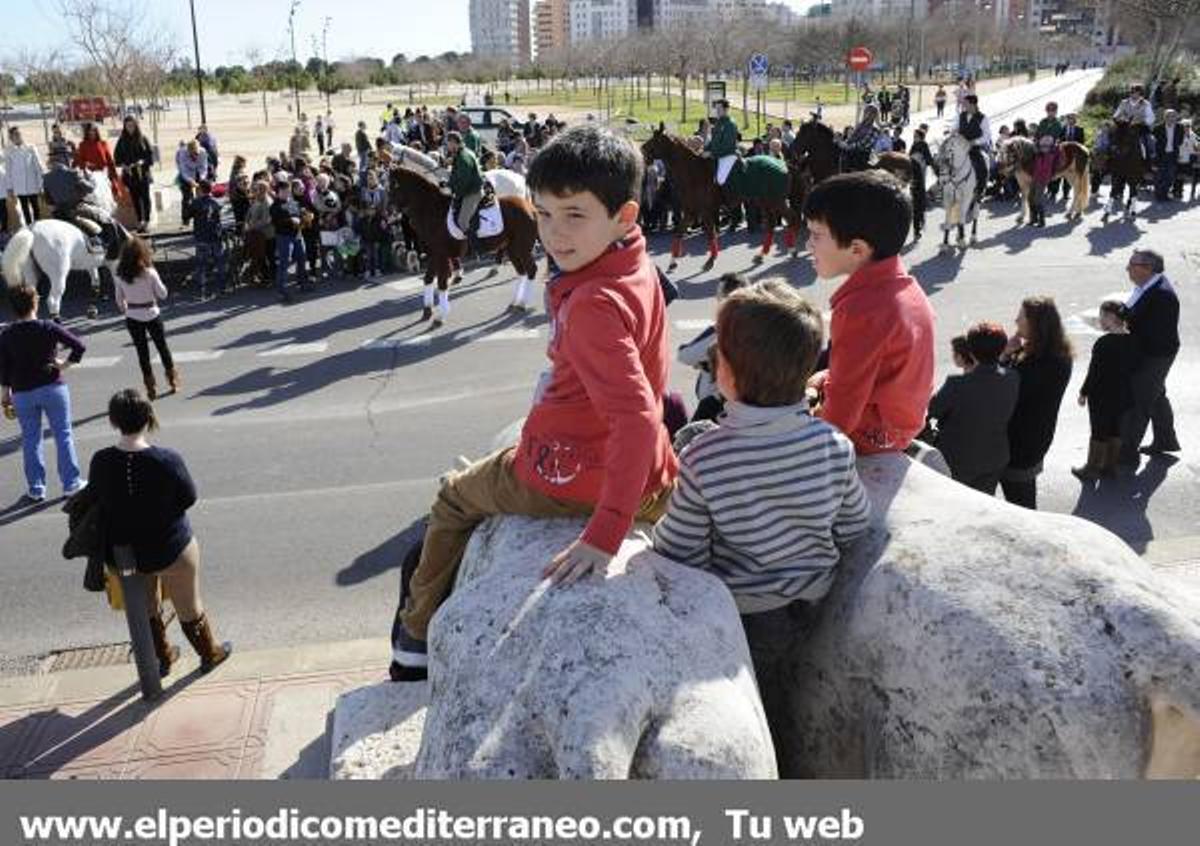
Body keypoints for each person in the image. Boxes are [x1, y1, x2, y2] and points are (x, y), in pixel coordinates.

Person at [389, 125, 679, 681]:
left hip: (573, 474)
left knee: (452, 499)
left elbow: (637, 416)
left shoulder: (592, 302)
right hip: (655, 476)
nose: (553, 233)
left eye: (574, 215)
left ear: (624, 216)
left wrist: (604, 533)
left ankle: (415, 636)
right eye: (543, 214)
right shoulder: (634, 262)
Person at [651, 280, 871, 687]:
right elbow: (854, 525)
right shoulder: (833, 443)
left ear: (727, 375)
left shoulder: (704, 458)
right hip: (815, 600)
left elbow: (680, 550)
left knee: (763, 691)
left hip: (747, 612)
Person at [87, 388, 231, 676]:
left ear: (114, 421)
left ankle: (162, 658)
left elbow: (97, 499)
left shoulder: (100, 460)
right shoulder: (167, 459)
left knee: (146, 608)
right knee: (188, 605)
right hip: (171, 548)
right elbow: (188, 498)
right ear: (148, 418)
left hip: (126, 555)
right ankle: (209, 654)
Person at [803, 171, 935, 455]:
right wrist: (827, 377)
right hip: (902, 422)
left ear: (857, 249)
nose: (808, 245)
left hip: (873, 433)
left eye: (816, 235)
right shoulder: (904, 287)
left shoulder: (860, 310)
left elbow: (841, 415)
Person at [0, 285, 88, 502]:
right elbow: (79, 346)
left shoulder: (7, 334)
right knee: (63, 435)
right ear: (35, 303)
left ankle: (36, 488)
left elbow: (4, 367)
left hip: (22, 392)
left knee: (31, 440)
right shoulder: (48, 326)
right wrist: (64, 365)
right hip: (52, 387)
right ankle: (71, 484)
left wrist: (5, 393)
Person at [998, 296, 1073, 509]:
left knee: (1021, 504)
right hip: (1036, 438)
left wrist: (1004, 356)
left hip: (1020, 445)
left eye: (1021, 317)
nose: (1016, 321)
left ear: (1036, 324)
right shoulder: (1056, 353)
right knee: (1022, 496)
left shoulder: (1037, 364)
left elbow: (1002, 390)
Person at [927, 322, 1020, 493]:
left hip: (958, 461)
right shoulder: (1012, 377)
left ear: (971, 351)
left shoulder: (956, 385)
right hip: (994, 457)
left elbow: (933, 410)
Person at [1119, 249, 1180, 465]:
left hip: (1155, 355)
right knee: (1156, 395)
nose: (1127, 268)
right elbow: (1135, 311)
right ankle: (1166, 439)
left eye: (1132, 264)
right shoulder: (1147, 286)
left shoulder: (1161, 295)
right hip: (1154, 352)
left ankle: (1126, 453)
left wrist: (1121, 326)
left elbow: (1150, 331)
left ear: (1147, 268)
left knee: (1140, 400)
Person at [1072, 301, 1139, 481]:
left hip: (1102, 396)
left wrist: (1083, 392)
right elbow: (1135, 368)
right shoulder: (1134, 340)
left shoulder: (1104, 343)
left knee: (1098, 430)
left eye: (1102, 316)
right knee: (1115, 430)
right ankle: (1110, 468)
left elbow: (1094, 372)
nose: (1099, 320)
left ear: (1111, 317)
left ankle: (1091, 468)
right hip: (1123, 395)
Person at [676, 272, 749, 424]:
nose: (717, 300)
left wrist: (706, 362)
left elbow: (685, 355)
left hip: (720, 402)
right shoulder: (757, 324)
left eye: (720, 296)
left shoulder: (722, 328)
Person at [113, 236, 179, 400]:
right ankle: (172, 380)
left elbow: (119, 301)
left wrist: (128, 308)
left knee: (142, 353)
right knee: (162, 348)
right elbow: (163, 294)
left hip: (132, 317)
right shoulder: (150, 273)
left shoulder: (120, 276)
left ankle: (151, 388)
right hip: (152, 313)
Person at [270, 173, 308, 303]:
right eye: (284, 191)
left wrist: (304, 216)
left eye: (288, 190)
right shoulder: (274, 206)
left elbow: (299, 216)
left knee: (302, 259)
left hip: (297, 235)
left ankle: (302, 283)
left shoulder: (292, 202)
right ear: (278, 192)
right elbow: (277, 222)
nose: (286, 193)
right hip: (284, 237)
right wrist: (290, 220)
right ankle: (282, 290)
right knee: (284, 263)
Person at [114, 115, 154, 232]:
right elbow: (117, 158)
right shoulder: (122, 141)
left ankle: (147, 220)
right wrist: (124, 165)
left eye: (132, 125)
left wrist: (142, 162)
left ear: (136, 126)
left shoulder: (143, 139)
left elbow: (150, 156)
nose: (130, 128)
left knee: (145, 197)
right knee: (135, 198)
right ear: (125, 127)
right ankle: (140, 220)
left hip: (142, 173)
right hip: (130, 175)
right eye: (128, 126)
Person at [444, 130, 484, 246]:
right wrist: (448, 184)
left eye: (448, 143)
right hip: (467, 189)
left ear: (454, 143)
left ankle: (478, 248)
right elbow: (456, 175)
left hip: (472, 192)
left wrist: (452, 190)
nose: (447, 146)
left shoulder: (463, 157)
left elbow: (463, 182)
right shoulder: (460, 153)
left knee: (462, 222)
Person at [190, 179, 227, 299]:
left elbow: (186, 215)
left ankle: (201, 292)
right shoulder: (217, 202)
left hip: (202, 236)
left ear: (200, 190)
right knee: (219, 263)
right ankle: (221, 289)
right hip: (215, 236)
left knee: (201, 265)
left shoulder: (196, 203)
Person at [5, 127, 44, 226]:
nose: (18, 136)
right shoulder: (9, 151)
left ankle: (38, 226)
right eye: (15, 134)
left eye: (19, 134)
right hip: (19, 186)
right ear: (11, 137)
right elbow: (8, 171)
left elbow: (38, 166)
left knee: (36, 207)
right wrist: (9, 188)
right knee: (25, 208)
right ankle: (29, 226)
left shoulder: (31, 148)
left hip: (32, 184)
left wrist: (41, 184)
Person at [958, 94, 992, 201]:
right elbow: (956, 128)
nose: (963, 105)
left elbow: (987, 136)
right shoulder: (961, 115)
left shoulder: (983, 118)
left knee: (982, 168)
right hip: (961, 147)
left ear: (973, 104)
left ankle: (980, 192)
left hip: (975, 148)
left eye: (965, 103)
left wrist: (974, 142)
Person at [74, 122, 120, 198]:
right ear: (86, 132)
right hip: (91, 177)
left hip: (104, 176)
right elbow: (79, 161)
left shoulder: (103, 144)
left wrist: (114, 179)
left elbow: (110, 162)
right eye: (89, 131)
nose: (91, 133)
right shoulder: (82, 145)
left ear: (96, 131)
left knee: (108, 198)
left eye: (93, 130)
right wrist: (86, 164)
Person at [243, 179, 275, 285]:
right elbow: (249, 212)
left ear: (263, 190)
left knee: (267, 257)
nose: (254, 190)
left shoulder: (267, 202)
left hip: (267, 235)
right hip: (257, 234)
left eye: (256, 189)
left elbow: (266, 220)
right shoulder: (257, 199)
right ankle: (263, 275)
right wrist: (246, 222)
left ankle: (270, 278)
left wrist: (252, 226)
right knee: (259, 256)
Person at [1112, 84, 1154, 162]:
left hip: (1140, 128)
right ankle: (1108, 160)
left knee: (1150, 140)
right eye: (1132, 92)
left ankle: (1150, 160)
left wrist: (1141, 121)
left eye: (1135, 92)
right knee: (1112, 138)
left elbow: (1151, 118)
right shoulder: (1124, 102)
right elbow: (1116, 115)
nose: (1133, 94)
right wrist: (1121, 119)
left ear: (1140, 93)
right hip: (1124, 127)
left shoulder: (1146, 104)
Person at [704, 99, 739, 187]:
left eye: (719, 108)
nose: (717, 111)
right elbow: (713, 141)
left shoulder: (730, 124)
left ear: (726, 109)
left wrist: (711, 153)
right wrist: (705, 150)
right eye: (716, 109)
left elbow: (726, 145)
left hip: (727, 155)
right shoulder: (718, 123)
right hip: (717, 155)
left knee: (720, 179)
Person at [1153, 109, 1185, 201]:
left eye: (1173, 116)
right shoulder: (1158, 128)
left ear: (1176, 118)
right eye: (1168, 116)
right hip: (1161, 155)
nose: (1171, 118)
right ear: (1164, 118)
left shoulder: (1180, 128)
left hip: (1172, 155)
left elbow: (1180, 141)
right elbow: (1154, 143)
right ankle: (1159, 195)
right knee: (1160, 176)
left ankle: (1164, 193)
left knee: (1170, 176)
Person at [175, 140, 208, 226]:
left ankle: (200, 217)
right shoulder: (182, 153)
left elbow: (204, 167)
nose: (195, 156)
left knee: (201, 196)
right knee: (187, 197)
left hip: (197, 171)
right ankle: (185, 219)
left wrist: (201, 179)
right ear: (189, 151)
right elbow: (183, 171)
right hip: (186, 174)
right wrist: (190, 181)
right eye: (193, 154)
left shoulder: (203, 152)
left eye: (196, 153)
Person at [1028, 136, 1057, 228]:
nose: (1043, 148)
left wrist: (1042, 178)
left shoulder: (1049, 156)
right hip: (1035, 178)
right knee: (1030, 197)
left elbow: (1046, 169)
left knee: (1037, 199)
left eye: (1045, 146)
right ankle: (1033, 218)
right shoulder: (1038, 155)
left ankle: (1042, 221)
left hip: (1042, 179)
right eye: (1041, 146)